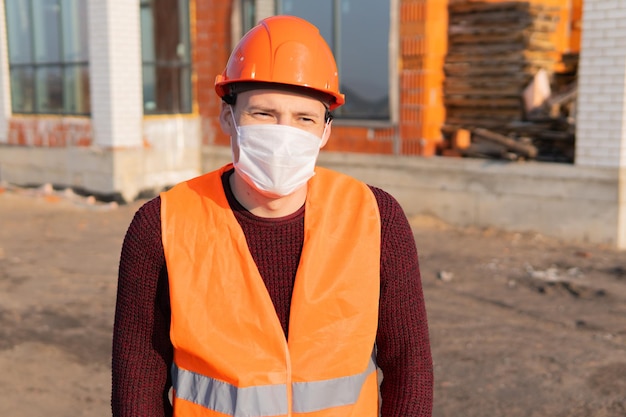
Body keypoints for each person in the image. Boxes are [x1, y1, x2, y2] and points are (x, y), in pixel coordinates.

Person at [112, 15, 433, 417]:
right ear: (228, 116)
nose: (284, 135)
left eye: (304, 119)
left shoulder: (375, 218)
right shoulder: (161, 224)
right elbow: (137, 379)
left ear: (325, 132)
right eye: (263, 114)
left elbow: (410, 368)